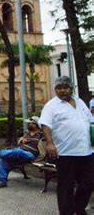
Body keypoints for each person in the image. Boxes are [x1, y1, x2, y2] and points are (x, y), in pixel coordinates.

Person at [38, 76, 94, 215]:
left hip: (86, 151)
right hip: (65, 153)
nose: (62, 91)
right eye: (59, 88)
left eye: (65, 87)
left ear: (71, 88)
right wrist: (50, 143)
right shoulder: (52, 105)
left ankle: (78, 208)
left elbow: (90, 121)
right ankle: (66, 212)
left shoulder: (80, 102)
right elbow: (45, 124)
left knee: (88, 183)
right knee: (66, 187)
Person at [0, 116, 43, 189]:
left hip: (30, 154)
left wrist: (29, 141)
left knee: (17, 151)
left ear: (36, 125)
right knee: (3, 158)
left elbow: (43, 144)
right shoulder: (27, 133)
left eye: (31, 123)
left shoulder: (41, 134)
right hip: (20, 151)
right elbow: (19, 141)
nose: (29, 124)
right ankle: (2, 181)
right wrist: (22, 140)